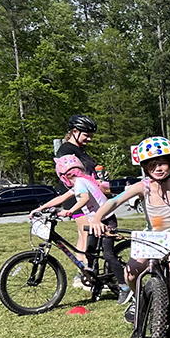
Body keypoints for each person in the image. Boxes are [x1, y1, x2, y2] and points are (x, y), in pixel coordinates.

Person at [89, 137, 170, 338]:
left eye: (162, 163)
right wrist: (96, 218)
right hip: (151, 238)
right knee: (130, 274)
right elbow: (114, 201)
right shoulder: (143, 187)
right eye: (152, 165)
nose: (158, 168)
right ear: (145, 168)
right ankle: (139, 298)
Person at [32, 155, 129, 302]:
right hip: (94, 222)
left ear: (64, 176)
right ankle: (97, 284)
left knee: (108, 254)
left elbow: (83, 198)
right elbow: (61, 198)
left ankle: (124, 286)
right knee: (89, 253)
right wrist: (41, 207)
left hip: (106, 220)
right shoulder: (79, 183)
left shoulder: (80, 183)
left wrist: (70, 211)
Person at [56, 115, 102, 271]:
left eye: (91, 136)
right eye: (86, 135)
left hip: (85, 196)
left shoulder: (79, 150)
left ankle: (84, 274)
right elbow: (70, 175)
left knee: (85, 236)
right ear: (74, 131)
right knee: (86, 236)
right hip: (78, 197)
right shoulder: (67, 150)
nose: (89, 139)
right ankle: (85, 274)